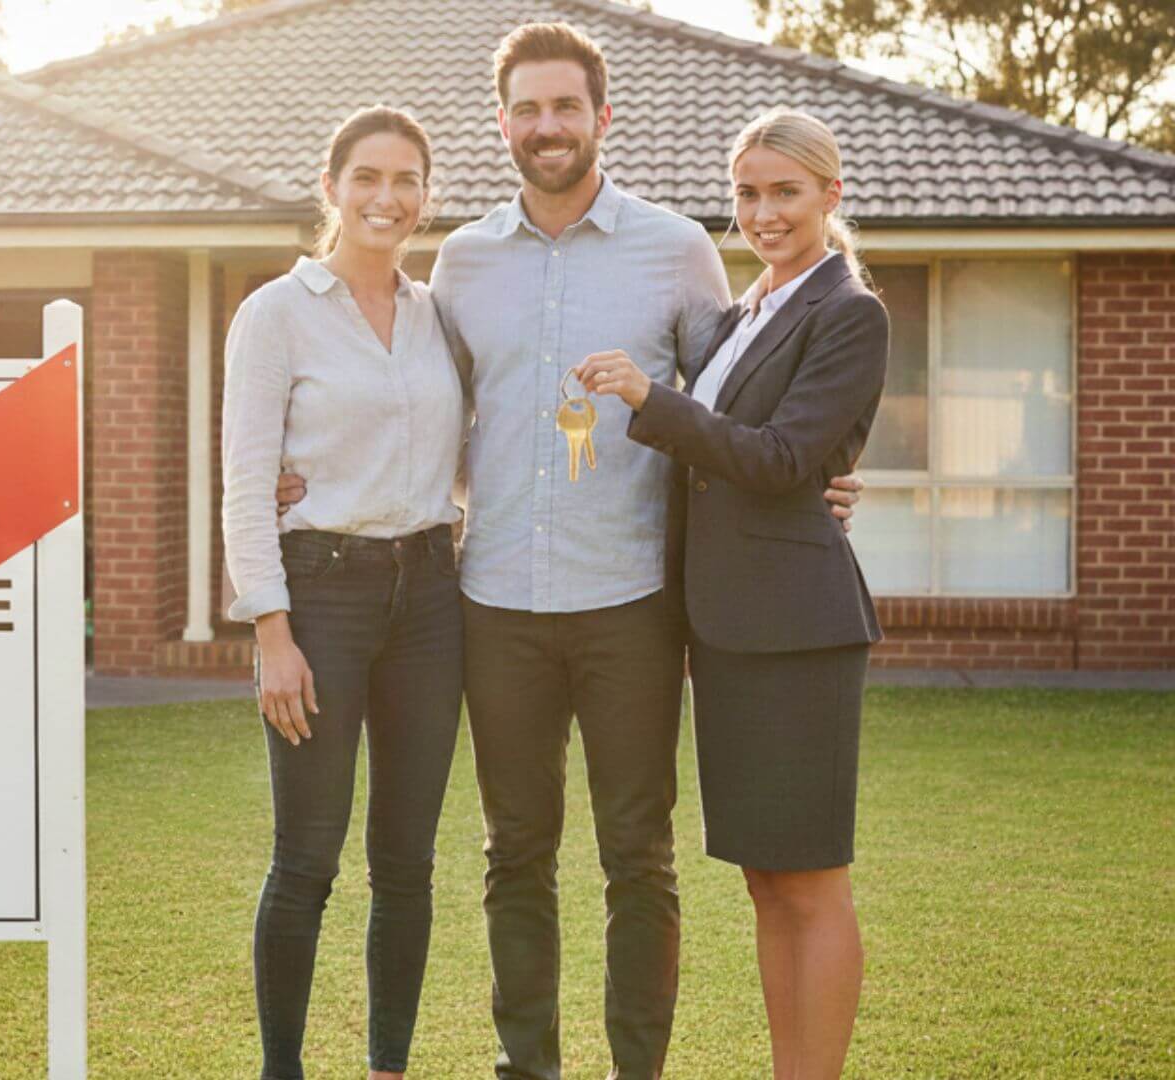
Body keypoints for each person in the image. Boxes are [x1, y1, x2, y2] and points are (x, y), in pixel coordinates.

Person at [276, 22, 864, 1080]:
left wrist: (815, 470)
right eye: (528, 109)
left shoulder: (679, 249)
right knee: (516, 855)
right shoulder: (460, 261)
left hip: (634, 597)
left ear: (602, 117)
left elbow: (735, 402)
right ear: (503, 123)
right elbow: (416, 403)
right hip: (494, 597)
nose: (548, 127)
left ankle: (637, 1069)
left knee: (640, 856)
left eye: (567, 107)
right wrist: (307, 474)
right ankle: (527, 1067)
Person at [577, 107, 886, 1080]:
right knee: (766, 881)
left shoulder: (849, 311)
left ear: (831, 196)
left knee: (812, 881)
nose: (763, 212)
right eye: (748, 193)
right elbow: (734, 466)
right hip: (729, 630)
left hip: (797, 633)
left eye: (786, 192)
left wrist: (645, 400)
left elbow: (785, 456)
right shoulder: (743, 314)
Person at [220, 105, 466, 1080]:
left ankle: (386, 1069)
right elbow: (246, 478)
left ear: (424, 197)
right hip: (321, 597)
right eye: (367, 177)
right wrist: (270, 630)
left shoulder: (437, 314)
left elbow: (486, 442)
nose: (388, 197)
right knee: (308, 859)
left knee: (406, 862)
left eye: (407, 180)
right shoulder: (277, 313)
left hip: (432, 597)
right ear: (331, 188)